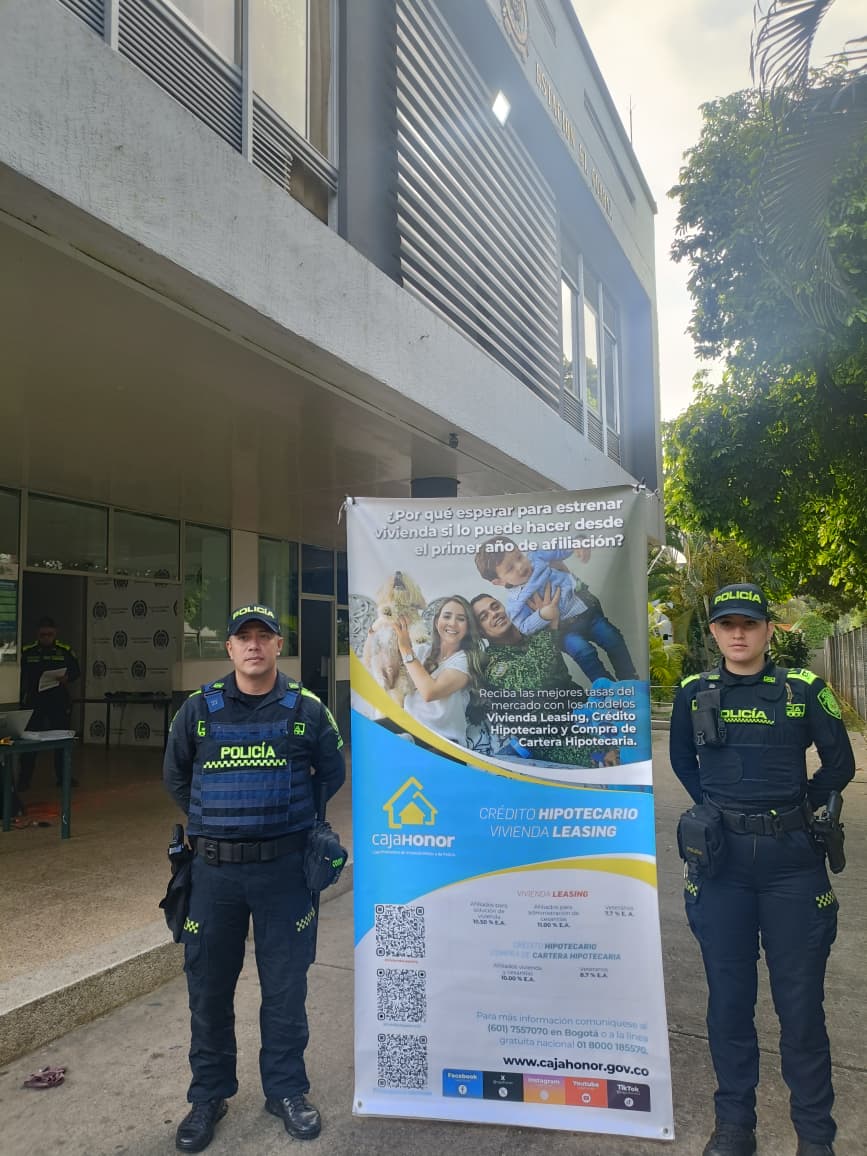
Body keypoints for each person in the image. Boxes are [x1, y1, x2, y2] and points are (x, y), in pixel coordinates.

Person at [669, 584, 854, 1156]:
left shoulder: (804, 689)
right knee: (728, 1001)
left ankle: (815, 1138)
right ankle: (734, 1128)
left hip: (792, 868)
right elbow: (682, 760)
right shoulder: (693, 692)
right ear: (715, 633)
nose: (739, 633)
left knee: (800, 1008)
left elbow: (840, 762)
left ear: (770, 629)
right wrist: (720, 812)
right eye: (727, 624)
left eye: (749, 623)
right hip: (721, 867)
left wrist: (799, 806)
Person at [163, 603, 346, 1152]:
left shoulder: (307, 708)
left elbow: (332, 774)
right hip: (214, 875)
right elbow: (176, 776)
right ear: (229, 648)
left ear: (277, 645)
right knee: (208, 990)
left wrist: (285, 823)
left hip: (285, 873)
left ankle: (286, 1090)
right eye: (243, 637)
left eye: (263, 637)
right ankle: (208, 1096)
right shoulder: (198, 709)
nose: (253, 646)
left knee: (286, 990)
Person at [474, 536, 636, 683]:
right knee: (584, 653)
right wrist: (542, 615)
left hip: (585, 612)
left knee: (612, 638)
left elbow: (558, 549)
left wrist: (576, 544)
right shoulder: (515, 603)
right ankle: (606, 688)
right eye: (510, 568)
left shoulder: (535, 557)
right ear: (498, 581)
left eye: (519, 556)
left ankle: (629, 679)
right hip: (564, 631)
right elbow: (523, 626)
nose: (521, 566)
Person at [471, 588, 592, 767]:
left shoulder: (531, 634)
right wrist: (547, 623)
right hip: (552, 742)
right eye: (484, 616)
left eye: (495, 607)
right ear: (481, 632)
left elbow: (559, 675)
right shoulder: (492, 664)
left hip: (585, 714)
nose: (494, 614)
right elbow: (537, 676)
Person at [391, 595, 485, 747]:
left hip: (442, 742)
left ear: (468, 627)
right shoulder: (421, 652)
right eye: (447, 616)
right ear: (436, 622)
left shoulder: (466, 660)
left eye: (461, 619)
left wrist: (405, 648)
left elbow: (430, 692)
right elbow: (387, 673)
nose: (452, 623)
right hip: (407, 728)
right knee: (369, 735)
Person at [17, 616, 81, 792]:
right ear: (37, 633)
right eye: (43, 634)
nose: (46, 637)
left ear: (56, 633)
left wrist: (67, 678)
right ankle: (24, 779)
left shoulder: (65, 650)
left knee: (61, 739)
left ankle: (63, 777)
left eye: (50, 634)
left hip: (58, 701)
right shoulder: (26, 651)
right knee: (29, 742)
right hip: (34, 702)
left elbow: (76, 671)